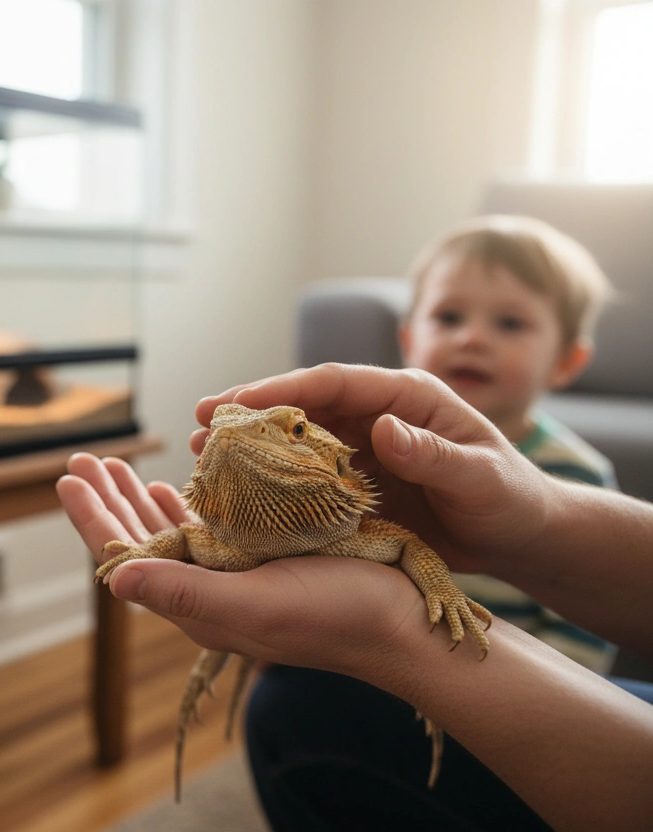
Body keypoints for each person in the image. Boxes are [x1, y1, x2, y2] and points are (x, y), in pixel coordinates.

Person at [57, 363, 653, 832]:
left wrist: (425, 608)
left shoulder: (363, 536)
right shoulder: (219, 541)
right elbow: (185, 535)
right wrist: (146, 550)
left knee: (291, 709)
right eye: (223, 432)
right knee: (294, 697)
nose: (238, 436)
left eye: (290, 431)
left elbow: (411, 550)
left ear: (335, 462)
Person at [400, 214, 617, 671]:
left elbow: (585, 621)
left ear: (566, 360)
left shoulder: (577, 476)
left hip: (507, 682)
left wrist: (548, 702)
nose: (471, 337)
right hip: (387, 658)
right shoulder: (391, 449)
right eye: (448, 317)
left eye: (510, 324)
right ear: (409, 339)